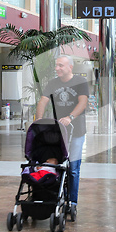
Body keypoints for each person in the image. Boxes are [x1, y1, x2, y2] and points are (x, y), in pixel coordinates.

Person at [36, 55, 89, 214]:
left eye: (60, 65)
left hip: (76, 131)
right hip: (58, 131)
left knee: (73, 167)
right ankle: (59, 196)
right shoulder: (52, 83)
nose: (57, 68)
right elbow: (43, 101)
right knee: (56, 164)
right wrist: (38, 120)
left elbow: (83, 102)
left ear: (70, 67)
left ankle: (72, 201)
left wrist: (70, 117)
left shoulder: (80, 82)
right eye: (56, 65)